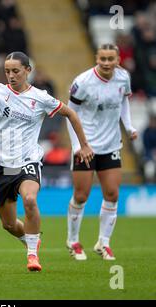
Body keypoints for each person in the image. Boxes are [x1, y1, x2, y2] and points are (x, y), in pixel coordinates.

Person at [0, 52, 93, 272]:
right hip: (1, 164)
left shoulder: (41, 98)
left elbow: (72, 114)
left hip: (28, 160)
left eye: (16, 71)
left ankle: (32, 255)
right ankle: (31, 239)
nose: (11, 75)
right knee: (9, 225)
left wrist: (84, 145)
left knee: (30, 200)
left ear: (27, 71)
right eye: (7, 71)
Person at [66, 44, 137, 261]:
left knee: (112, 194)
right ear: (96, 58)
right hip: (86, 146)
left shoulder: (123, 77)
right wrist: (78, 146)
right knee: (81, 195)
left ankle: (103, 243)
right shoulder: (83, 83)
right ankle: (73, 241)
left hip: (111, 145)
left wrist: (129, 126)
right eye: (102, 59)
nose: (106, 63)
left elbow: (123, 101)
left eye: (110, 59)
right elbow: (70, 114)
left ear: (117, 60)